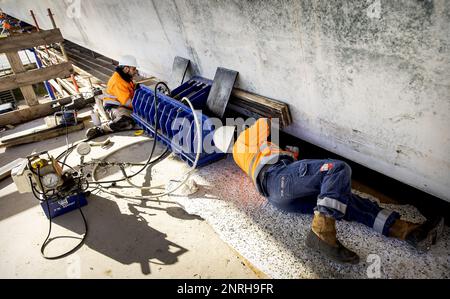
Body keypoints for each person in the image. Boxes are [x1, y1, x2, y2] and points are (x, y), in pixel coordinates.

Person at [213, 118, 444, 264]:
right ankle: (321, 234)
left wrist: (288, 154)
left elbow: (283, 161)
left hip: (280, 195)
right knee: (336, 169)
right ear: (234, 132)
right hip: (279, 178)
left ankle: (406, 230)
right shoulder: (243, 138)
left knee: (343, 201)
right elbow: (266, 121)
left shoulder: (242, 156)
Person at [85, 55, 140, 139]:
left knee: (135, 116)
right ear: (126, 69)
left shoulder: (124, 76)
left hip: (122, 104)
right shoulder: (118, 82)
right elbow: (128, 103)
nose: (135, 71)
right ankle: (102, 129)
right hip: (113, 107)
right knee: (127, 121)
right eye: (133, 69)